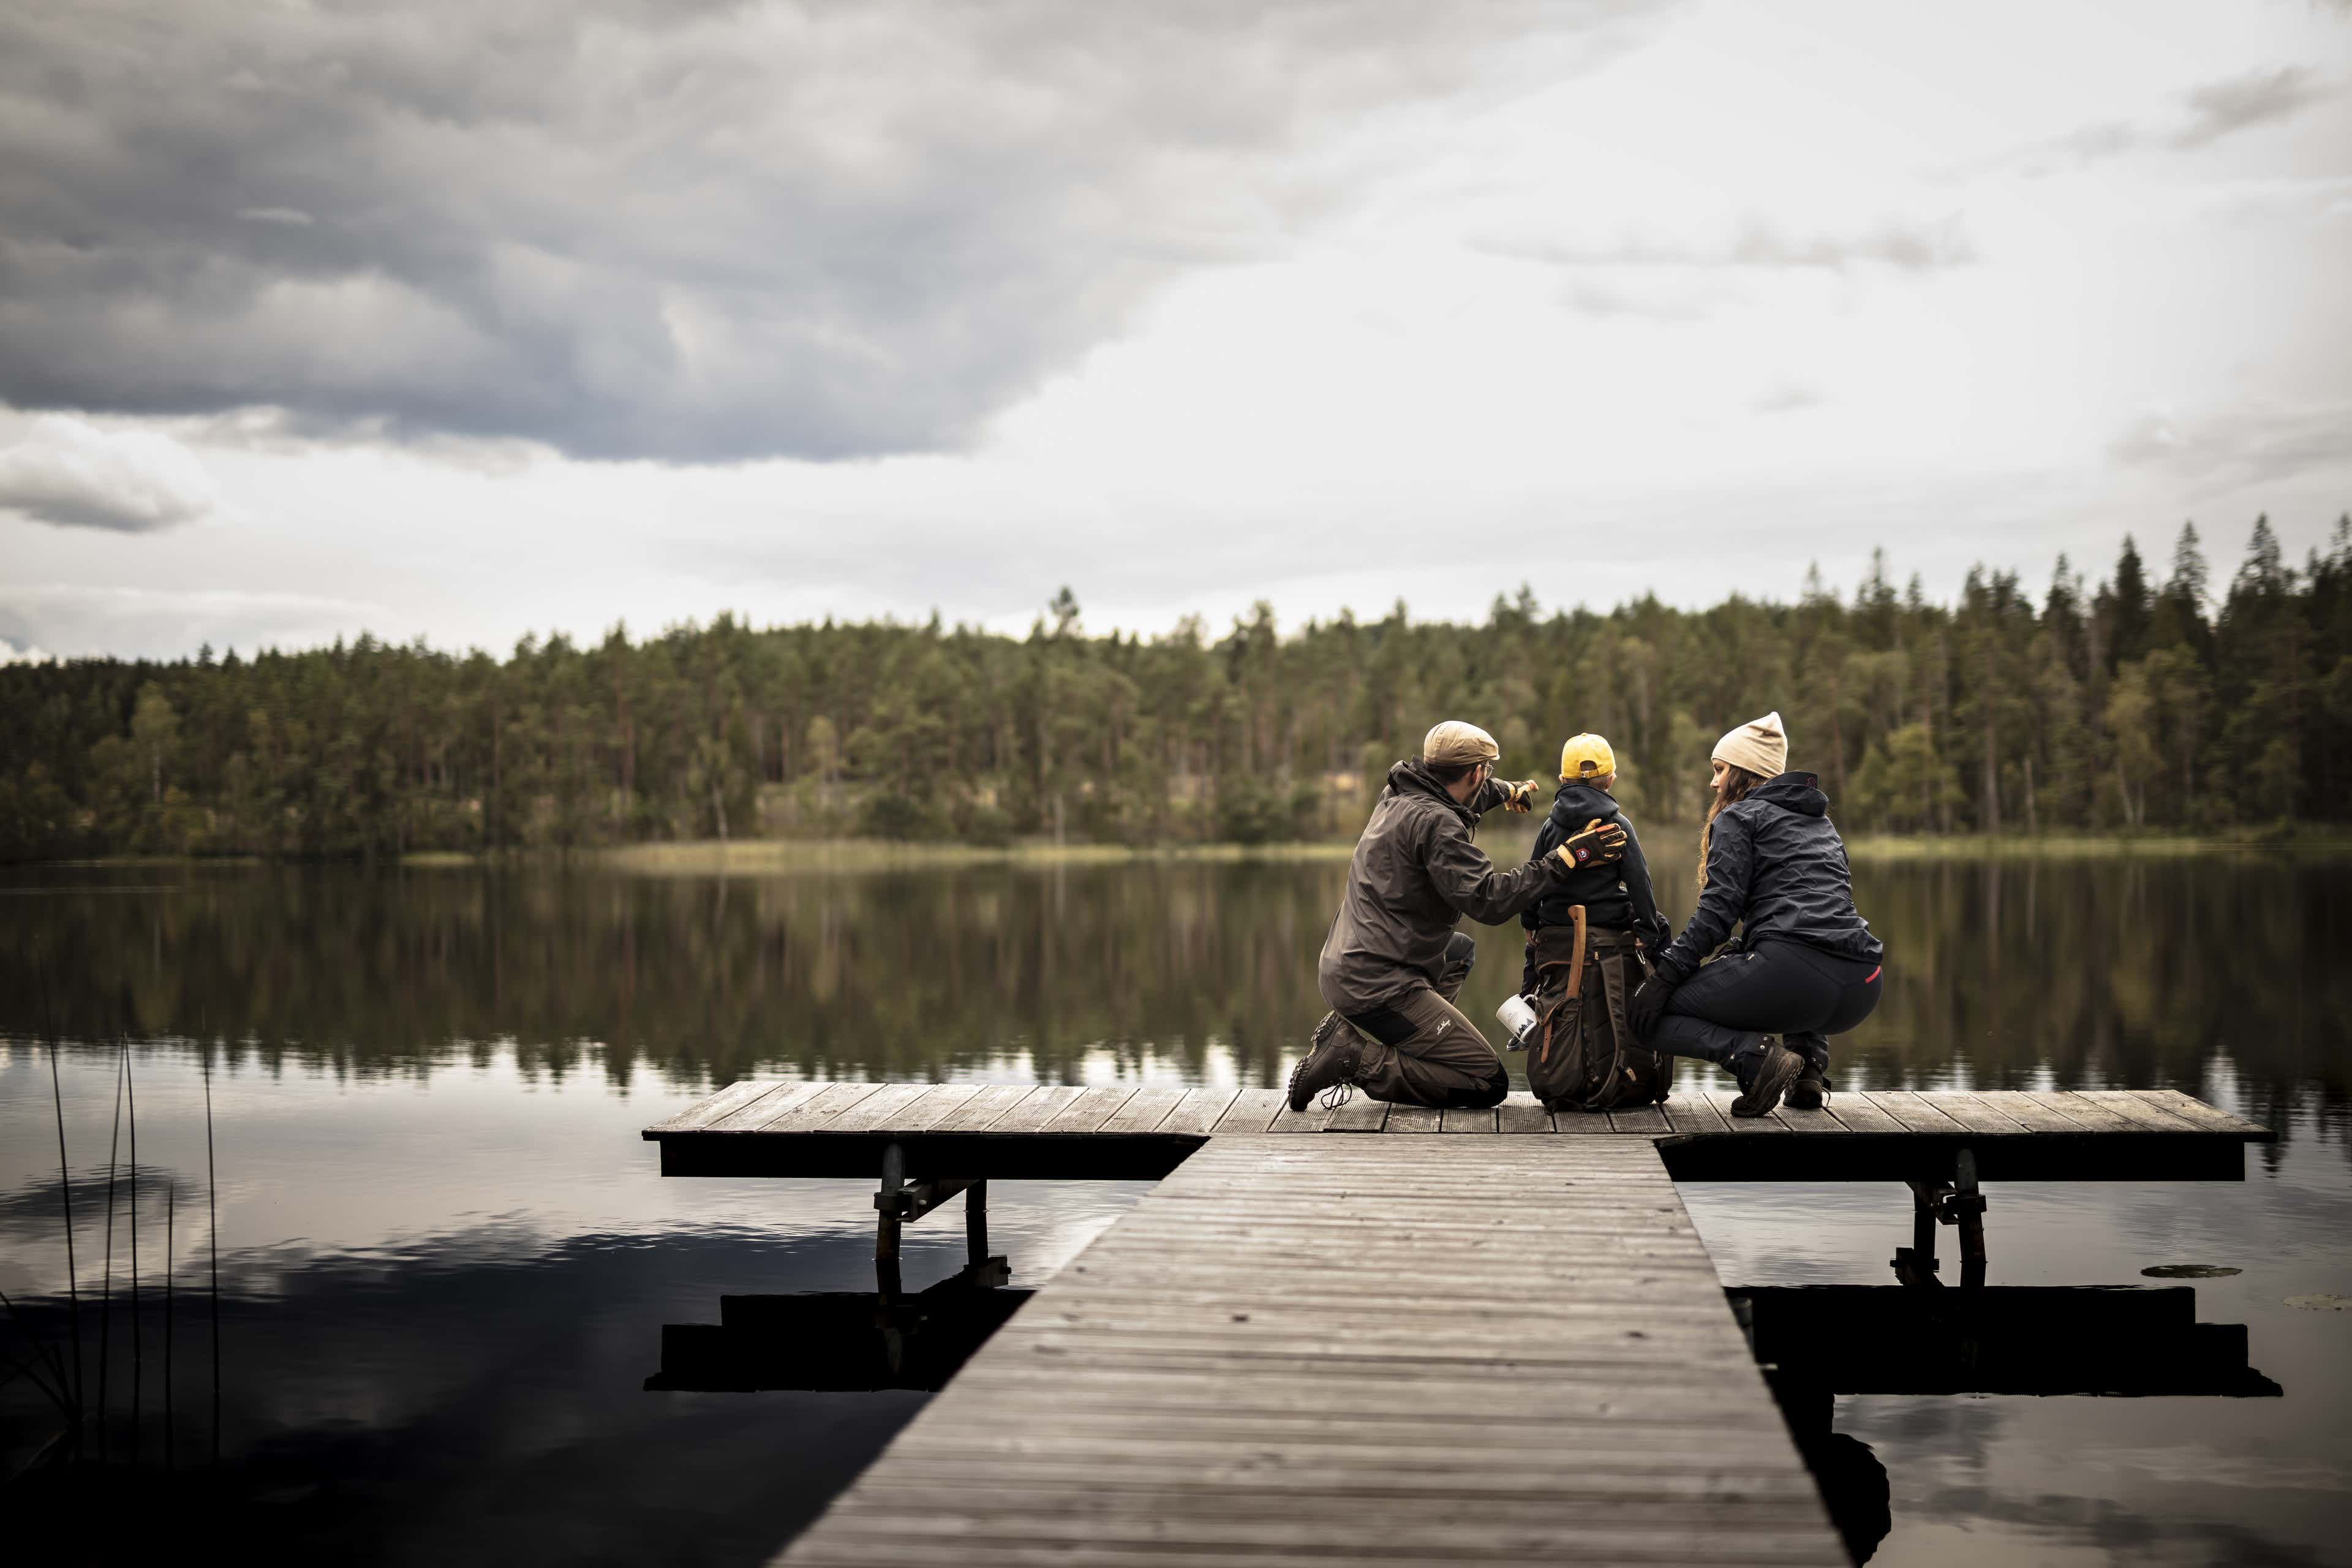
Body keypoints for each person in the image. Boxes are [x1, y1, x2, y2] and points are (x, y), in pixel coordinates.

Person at [1289, 720, 1629, 1112]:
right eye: (1488, 773)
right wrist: (1569, 857)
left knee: (1458, 951)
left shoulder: (1397, 796)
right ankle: (1355, 1058)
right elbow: (1490, 900)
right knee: (1486, 1083)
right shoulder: (1438, 825)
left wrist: (1507, 792)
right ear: (1476, 772)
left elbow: (1455, 795)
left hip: (1350, 965)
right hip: (1378, 983)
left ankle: (1423, 1050)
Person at [1627, 711, 1884, 1117]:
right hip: (1864, 984)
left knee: (1647, 1016)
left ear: (1744, 773)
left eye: (1719, 769)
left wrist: (1662, 980)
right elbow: (1816, 918)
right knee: (1776, 951)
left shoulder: (1739, 817)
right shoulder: (1822, 827)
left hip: (1796, 976)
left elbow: (1717, 913)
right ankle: (1808, 1073)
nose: (1713, 782)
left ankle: (1755, 1059)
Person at [1521, 732, 1673, 994]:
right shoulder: (1619, 825)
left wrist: (1529, 920)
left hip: (1555, 920)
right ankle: (1663, 991)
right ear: (1611, 780)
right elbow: (1639, 880)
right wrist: (1646, 930)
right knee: (1662, 926)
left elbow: (1535, 875)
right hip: (1607, 917)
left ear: (1561, 780)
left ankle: (1527, 997)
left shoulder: (1550, 826)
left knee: (1532, 956)